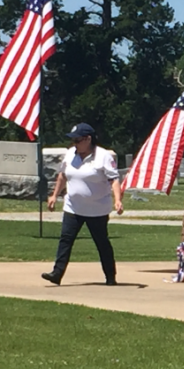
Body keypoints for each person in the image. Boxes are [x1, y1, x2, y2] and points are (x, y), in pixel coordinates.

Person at [42, 123, 124, 286]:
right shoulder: (71, 154)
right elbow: (62, 175)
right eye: (73, 141)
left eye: (77, 140)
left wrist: (118, 199)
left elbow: (113, 179)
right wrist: (54, 195)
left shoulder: (103, 156)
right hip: (73, 206)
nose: (74, 144)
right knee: (66, 239)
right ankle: (57, 273)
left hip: (97, 209)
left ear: (88, 139)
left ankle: (110, 276)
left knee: (101, 242)